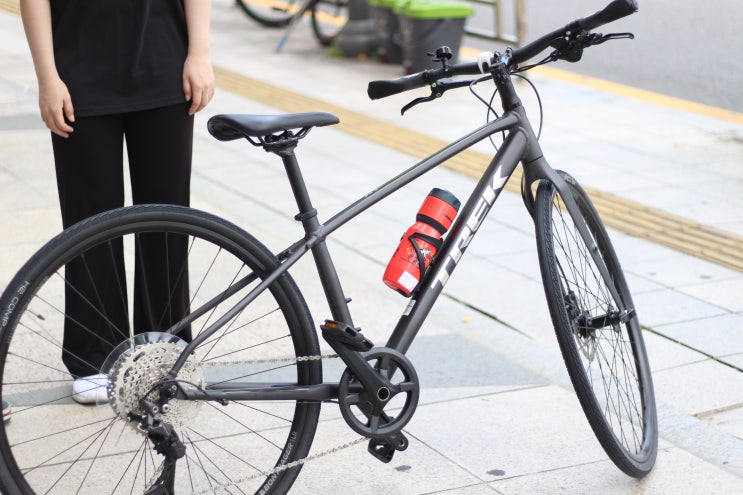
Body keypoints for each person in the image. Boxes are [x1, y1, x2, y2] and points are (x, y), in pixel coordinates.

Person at [20, 0, 215, 403]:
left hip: (165, 65)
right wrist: (47, 77)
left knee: (166, 221)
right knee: (88, 223)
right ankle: (94, 357)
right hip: (77, 74)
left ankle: (165, 349)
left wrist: (199, 53)